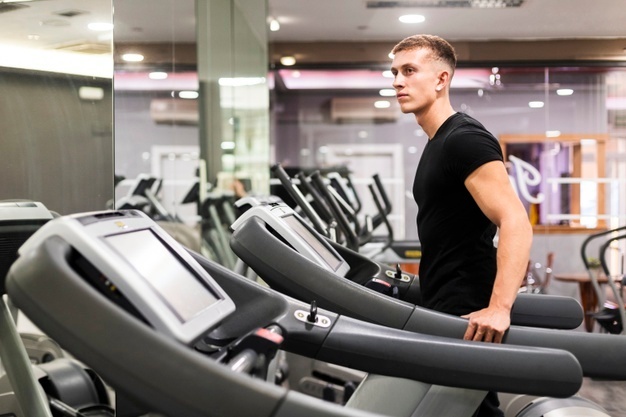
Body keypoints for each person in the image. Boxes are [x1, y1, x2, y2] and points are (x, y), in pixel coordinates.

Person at [390, 34, 533, 417]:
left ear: (441, 79)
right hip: (445, 300)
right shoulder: (438, 141)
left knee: (467, 408)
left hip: (468, 309)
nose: (397, 82)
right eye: (394, 73)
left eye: (409, 71)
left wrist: (499, 308)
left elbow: (515, 220)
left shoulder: (464, 139)